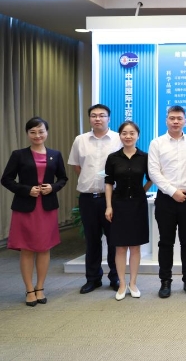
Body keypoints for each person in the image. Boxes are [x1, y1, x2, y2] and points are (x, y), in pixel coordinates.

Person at [1, 117, 67, 306]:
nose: (37, 135)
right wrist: (26, 189)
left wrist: (52, 187)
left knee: (44, 248)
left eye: (41, 131)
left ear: (47, 132)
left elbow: (63, 178)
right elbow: (6, 179)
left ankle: (40, 287)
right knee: (27, 248)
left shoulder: (55, 154)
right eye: (33, 132)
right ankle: (29, 289)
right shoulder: (18, 155)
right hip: (25, 208)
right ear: (28, 134)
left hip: (47, 208)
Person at [148, 105, 186, 298]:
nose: (175, 121)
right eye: (172, 118)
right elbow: (154, 172)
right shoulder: (157, 143)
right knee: (165, 242)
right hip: (166, 199)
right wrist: (173, 192)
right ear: (166, 120)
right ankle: (165, 281)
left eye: (179, 118)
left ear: (185, 121)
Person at [68, 103, 122, 294]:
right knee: (92, 240)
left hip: (112, 198)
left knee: (114, 240)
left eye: (102, 115)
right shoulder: (80, 140)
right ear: (89, 118)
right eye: (93, 115)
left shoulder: (118, 139)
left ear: (109, 118)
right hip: (88, 198)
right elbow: (77, 167)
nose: (97, 118)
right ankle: (93, 279)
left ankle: (115, 277)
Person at [105, 121, 152, 301]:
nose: (128, 136)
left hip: (138, 205)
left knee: (135, 246)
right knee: (120, 247)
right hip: (119, 205)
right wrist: (109, 206)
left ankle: (133, 283)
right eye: (124, 133)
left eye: (132, 133)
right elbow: (108, 183)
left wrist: (142, 191)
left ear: (138, 136)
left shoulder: (144, 157)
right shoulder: (113, 158)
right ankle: (122, 284)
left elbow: (151, 178)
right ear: (120, 135)